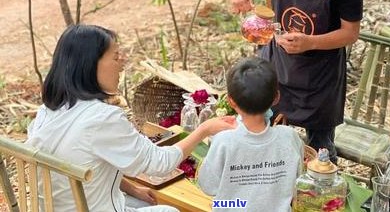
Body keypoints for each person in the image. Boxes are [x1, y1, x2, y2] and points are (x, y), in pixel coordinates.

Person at [26, 24, 236, 212]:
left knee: (146, 201)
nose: (122, 65)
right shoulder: (102, 118)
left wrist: (132, 188)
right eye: (116, 57)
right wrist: (204, 130)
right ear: (90, 65)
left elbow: (87, 166)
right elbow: (160, 164)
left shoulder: (48, 111)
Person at [220, 0, 364, 162]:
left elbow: (350, 33)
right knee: (262, 142)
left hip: (320, 79)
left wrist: (310, 42)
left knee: (321, 154)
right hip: (276, 66)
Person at [197, 57, 304, 212]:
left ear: (231, 101)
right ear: (276, 97)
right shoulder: (290, 137)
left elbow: (208, 186)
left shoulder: (224, 141)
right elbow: (298, 180)